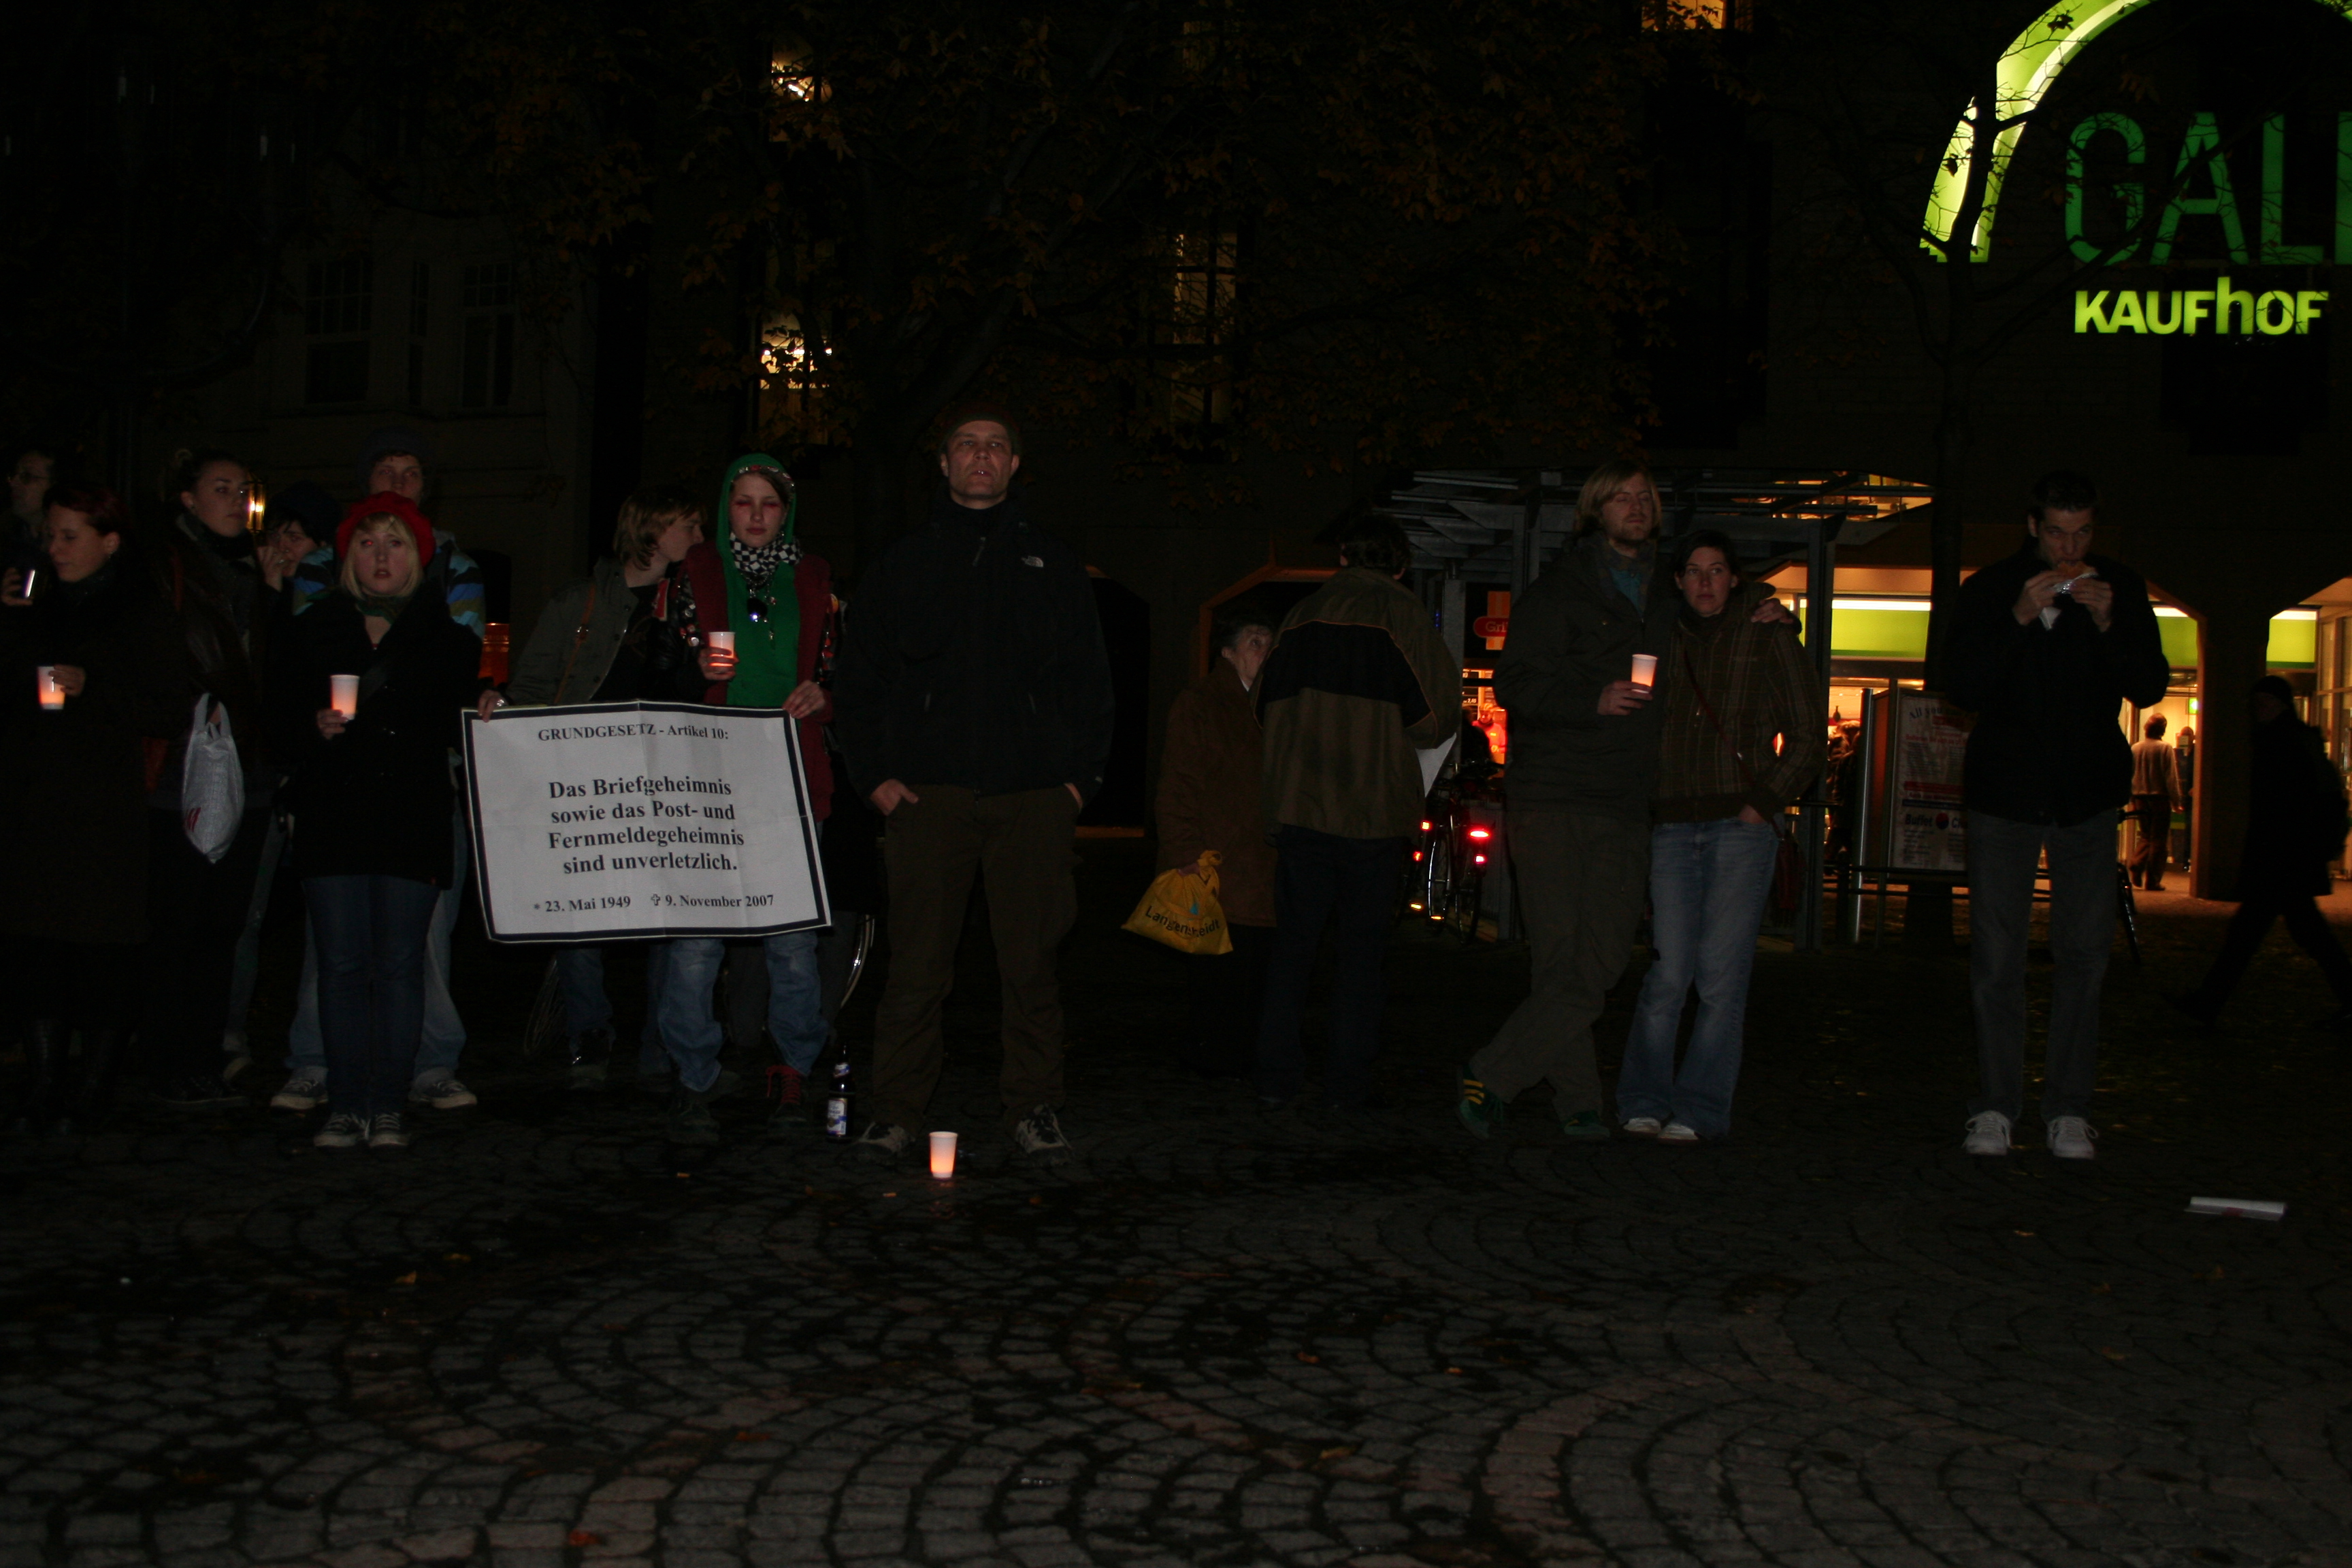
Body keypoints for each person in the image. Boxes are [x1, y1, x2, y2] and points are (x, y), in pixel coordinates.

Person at [1455, 462, 1791, 1141]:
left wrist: (1768, 604)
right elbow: (1514, 682)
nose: (1637, 506)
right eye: (1621, 497)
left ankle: (1493, 1072)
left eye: (1646, 496)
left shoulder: (1666, 592)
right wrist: (1592, 698)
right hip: (1553, 794)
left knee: (1602, 960)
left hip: (1627, 800)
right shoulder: (1558, 591)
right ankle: (1578, 1099)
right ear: (1595, 510)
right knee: (1561, 959)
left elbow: (1715, 594)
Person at [832, 408, 1115, 1163]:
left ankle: (1035, 1105)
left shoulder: (1053, 564)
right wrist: (874, 778)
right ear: (945, 463)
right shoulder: (904, 562)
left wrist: (1077, 785)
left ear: (1015, 465)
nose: (981, 456)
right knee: (916, 969)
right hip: (929, 799)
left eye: (996, 446)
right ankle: (895, 1110)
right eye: (967, 444)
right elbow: (859, 681)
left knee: (1032, 967)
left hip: (1033, 798)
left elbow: (1091, 681)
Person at [1945, 470, 2167, 1161]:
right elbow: (1961, 687)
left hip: (2087, 798)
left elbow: (2149, 684)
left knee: (2084, 958)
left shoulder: (2119, 587)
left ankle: (2069, 1109)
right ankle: (1996, 1106)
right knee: (1997, 959)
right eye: (2057, 533)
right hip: (2005, 796)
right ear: (2033, 526)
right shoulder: (1991, 588)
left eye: (2082, 533)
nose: (2070, 548)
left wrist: (2107, 624)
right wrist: (2017, 617)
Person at [274, 432, 484, 1116]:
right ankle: (329, 1080)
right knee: (336, 959)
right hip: (336, 813)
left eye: (396, 544)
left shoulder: (447, 624)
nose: (382, 556)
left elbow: (458, 704)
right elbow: (280, 706)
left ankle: (405, 1085)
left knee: (407, 960)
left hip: (412, 811)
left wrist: (487, 706)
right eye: (368, 543)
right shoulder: (315, 620)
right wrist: (311, 725)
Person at [480, 487, 708, 1091]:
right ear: (652, 530)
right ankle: (589, 1034)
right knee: (582, 916)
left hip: (661, 785)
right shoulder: (578, 601)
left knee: (668, 919)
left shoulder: (692, 607)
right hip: (583, 782)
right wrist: (502, 708)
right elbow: (533, 685)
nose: (699, 538)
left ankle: (661, 1045)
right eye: (688, 525)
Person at [1614, 532, 1823, 1144]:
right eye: (1694, 571)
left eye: (1717, 570)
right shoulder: (1660, 638)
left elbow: (1808, 734)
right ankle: (1644, 1098)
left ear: (1734, 578)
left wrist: (1762, 804)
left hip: (1739, 828)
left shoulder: (1767, 635)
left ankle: (1699, 1107)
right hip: (1673, 825)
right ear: (1678, 580)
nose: (1705, 582)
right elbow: (1640, 723)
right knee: (1667, 974)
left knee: (1720, 979)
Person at [657, 455, 836, 1144]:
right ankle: (694, 1073)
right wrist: (694, 669)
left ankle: (794, 1064)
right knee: (697, 944)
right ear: (725, 508)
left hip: (789, 770)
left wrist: (822, 697)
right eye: (744, 502)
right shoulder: (697, 572)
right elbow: (661, 669)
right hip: (710, 771)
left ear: (786, 512)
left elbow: (834, 668)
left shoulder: (812, 577)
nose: (757, 515)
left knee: (792, 941)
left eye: (769, 503)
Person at [1, 487, 188, 1134]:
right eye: (49, 536)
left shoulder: (140, 611)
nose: (54, 549)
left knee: (100, 952)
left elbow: (167, 706)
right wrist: (8, 619)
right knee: (37, 948)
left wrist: (94, 687)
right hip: (34, 801)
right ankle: (43, 1083)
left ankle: (93, 1088)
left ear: (109, 541)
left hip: (103, 808)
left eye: (69, 536)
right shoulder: (36, 605)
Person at [1254, 519, 1457, 1111]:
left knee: (1293, 949)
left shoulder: (1301, 617)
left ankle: (1275, 1075)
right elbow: (1436, 719)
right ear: (1401, 567)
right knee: (1361, 956)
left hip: (1301, 808)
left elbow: (1262, 704)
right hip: (1374, 813)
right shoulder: (1406, 618)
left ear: (1343, 557)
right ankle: (1346, 1081)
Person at [142, 451, 277, 1105]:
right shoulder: (166, 567)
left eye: (241, 488)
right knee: (179, 922)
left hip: (247, 773)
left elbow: (273, 672)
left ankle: (203, 1055)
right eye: (219, 488)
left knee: (223, 926)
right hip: (184, 771)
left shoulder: (257, 570)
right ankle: (169, 1060)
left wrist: (273, 592)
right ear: (188, 500)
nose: (234, 499)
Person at [220, 480, 342, 1079]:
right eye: (279, 534)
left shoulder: (326, 607)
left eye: (298, 537)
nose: (285, 546)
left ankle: (313, 1049)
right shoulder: (250, 596)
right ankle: (228, 1033)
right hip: (260, 778)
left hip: (311, 779)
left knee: (318, 921)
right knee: (245, 913)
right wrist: (267, 596)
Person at [2172, 677, 2352, 1027]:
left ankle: (2208, 1002)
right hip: (2289, 859)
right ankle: (2208, 1002)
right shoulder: (2293, 739)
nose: (2259, 709)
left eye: (2265, 702)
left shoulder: (2279, 742)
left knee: (2254, 935)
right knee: (2295, 934)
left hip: (2281, 859)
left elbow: (2280, 807)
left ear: (2278, 704)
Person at [1154, 600, 1279, 1080]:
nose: (1264, 651)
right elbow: (1177, 784)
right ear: (1227, 652)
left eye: (1269, 643)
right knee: (1219, 971)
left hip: (1260, 866)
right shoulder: (1202, 704)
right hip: (1217, 864)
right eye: (1254, 642)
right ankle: (1212, 1056)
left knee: (1255, 967)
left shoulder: (1274, 706)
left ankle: (1239, 1054)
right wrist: (1184, 852)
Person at [2129, 713, 2180, 890]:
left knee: (2145, 835)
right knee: (2159, 839)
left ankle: (2136, 863)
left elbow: (2130, 775)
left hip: (2140, 798)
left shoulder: (2136, 748)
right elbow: (2171, 778)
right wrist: (2176, 801)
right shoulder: (2165, 748)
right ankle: (2153, 880)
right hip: (2160, 798)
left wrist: (2131, 797)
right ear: (2162, 729)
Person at [2174, 723, 2198, 872]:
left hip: (2191, 798)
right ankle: (2180, 859)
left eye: (2188, 735)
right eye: (2184, 735)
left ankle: (2186, 859)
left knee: (2189, 828)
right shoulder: (2177, 753)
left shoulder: (2197, 753)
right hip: (2180, 795)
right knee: (2179, 830)